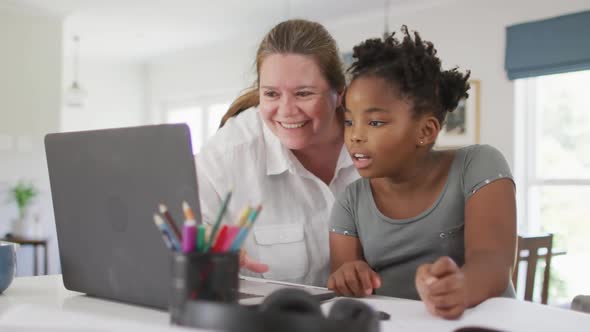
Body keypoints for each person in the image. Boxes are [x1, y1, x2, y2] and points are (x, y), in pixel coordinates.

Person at [327, 26, 517, 319]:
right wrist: (349, 276)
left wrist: (460, 286)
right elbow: (345, 280)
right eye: (350, 122)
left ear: (426, 131)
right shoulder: (350, 202)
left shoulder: (478, 166)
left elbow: (493, 261)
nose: (355, 136)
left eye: (375, 123)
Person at [196, 19, 359, 287]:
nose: (286, 110)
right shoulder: (227, 154)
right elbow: (185, 237)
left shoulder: (375, 143)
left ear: (338, 93)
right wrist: (210, 254)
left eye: (304, 93)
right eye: (271, 94)